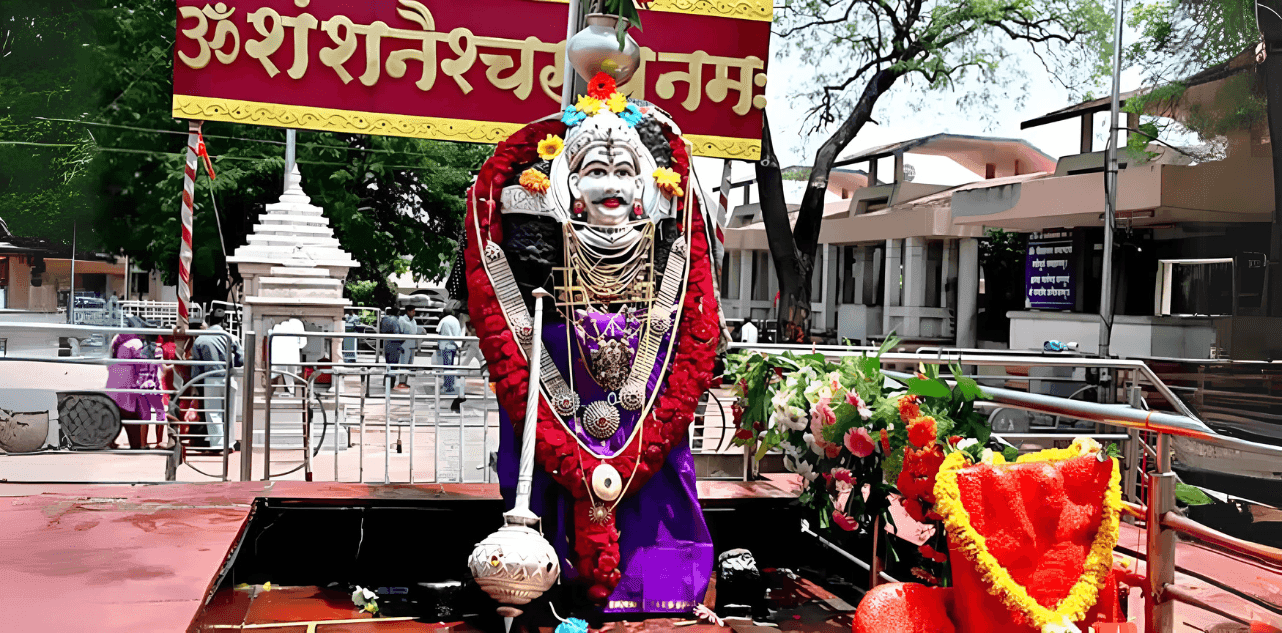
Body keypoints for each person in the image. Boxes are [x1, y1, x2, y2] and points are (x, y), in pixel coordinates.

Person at [106, 316, 166, 449]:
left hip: (113, 383)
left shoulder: (117, 338)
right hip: (129, 385)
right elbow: (143, 367)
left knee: (117, 413)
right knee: (132, 415)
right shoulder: (136, 343)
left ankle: (110, 441)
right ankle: (139, 444)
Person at [192, 308, 244, 451]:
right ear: (224, 322)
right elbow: (241, 360)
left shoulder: (200, 339)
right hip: (229, 378)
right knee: (230, 412)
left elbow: (196, 365)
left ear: (209, 320)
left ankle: (217, 444)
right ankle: (230, 443)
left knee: (213, 412)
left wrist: (195, 382)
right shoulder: (231, 337)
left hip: (210, 379)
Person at [436, 307, 462, 396]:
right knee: (450, 366)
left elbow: (441, 333)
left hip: (446, 345)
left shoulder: (444, 320)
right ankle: (449, 385)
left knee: (447, 367)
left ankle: (448, 386)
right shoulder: (456, 320)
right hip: (453, 346)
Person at [379, 306, 403, 391]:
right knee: (393, 365)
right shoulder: (395, 320)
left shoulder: (385, 319)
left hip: (387, 343)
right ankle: (390, 384)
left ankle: (386, 382)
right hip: (394, 344)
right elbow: (396, 333)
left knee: (388, 364)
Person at [396, 305, 419, 389]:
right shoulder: (402, 320)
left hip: (412, 345)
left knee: (409, 364)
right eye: (413, 311)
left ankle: (405, 382)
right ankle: (401, 382)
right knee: (403, 363)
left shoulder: (414, 321)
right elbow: (401, 332)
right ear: (408, 311)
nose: (414, 313)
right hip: (404, 345)